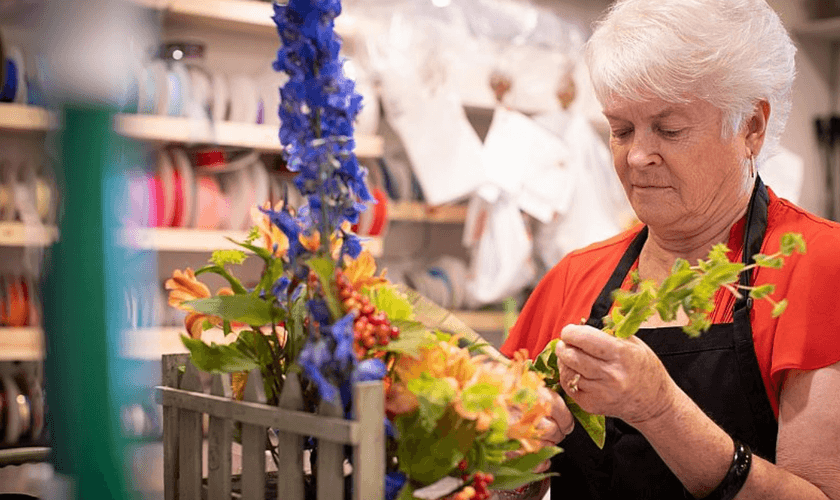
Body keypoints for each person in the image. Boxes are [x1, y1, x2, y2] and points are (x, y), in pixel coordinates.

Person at [500, 0, 840, 499]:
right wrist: (511, 462)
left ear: (751, 126)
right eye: (621, 130)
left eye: (669, 129)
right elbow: (501, 482)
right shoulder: (573, 278)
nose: (638, 155)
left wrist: (660, 411)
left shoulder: (820, 265)